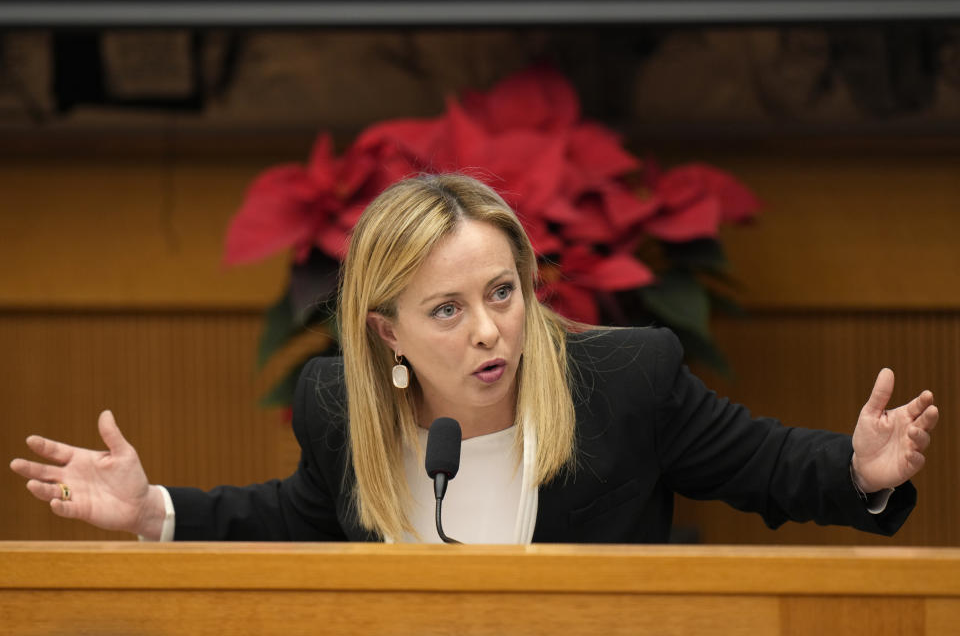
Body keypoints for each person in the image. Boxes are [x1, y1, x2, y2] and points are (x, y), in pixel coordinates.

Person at [9, 174, 939, 544]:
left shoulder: (625, 384)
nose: (490, 330)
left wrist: (859, 470)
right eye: (447, 310)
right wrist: (151, 511)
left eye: (502, 293)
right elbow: (295, 521)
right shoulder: (340, 404)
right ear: (389, 333)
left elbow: (772, 467)